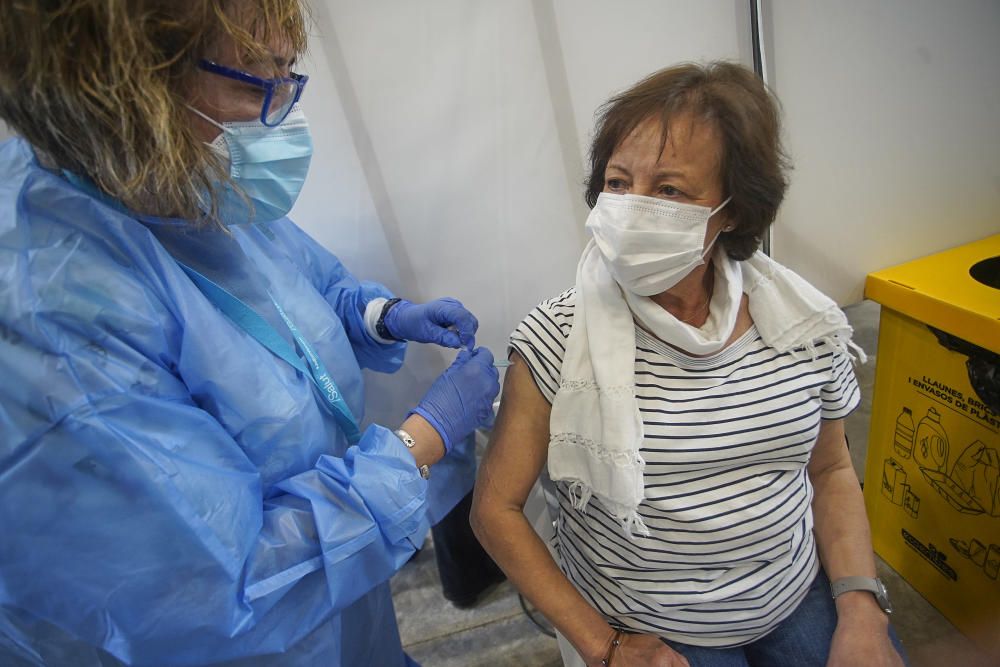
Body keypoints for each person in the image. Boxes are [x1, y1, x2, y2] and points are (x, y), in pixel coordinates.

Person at [0, 1, 499, 665]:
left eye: (290, 72)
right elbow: (220, 591)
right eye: (255, 81)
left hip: (341, 621)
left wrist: (378, 314)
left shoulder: (173, 179)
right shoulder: (57, 329)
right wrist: (420, 439)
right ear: (127, 94)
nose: (284, 108)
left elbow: (282, 287)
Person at [472, 62, 909, 667]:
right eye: (618, 182)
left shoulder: (801, 324)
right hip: (647, 623)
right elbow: (495, 510)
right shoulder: (559, 337)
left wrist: (861, 607)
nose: (631, 209)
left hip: (792, 591)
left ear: (731, 210)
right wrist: (606, 646)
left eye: (670, 190)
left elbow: (830, 469)